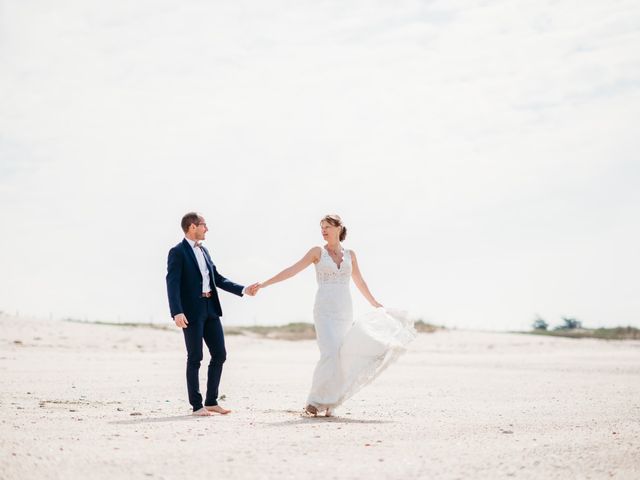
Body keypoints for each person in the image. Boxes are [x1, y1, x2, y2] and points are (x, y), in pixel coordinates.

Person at [257, 214, 415, 416]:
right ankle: (313, 403)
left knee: (341, 355)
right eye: (321, 227)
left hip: (344, 310)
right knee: (329, 353)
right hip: (324, 310)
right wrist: (264, 284)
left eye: (328, 226)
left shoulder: (350, 254)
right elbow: (292, 270)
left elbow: (359, 281)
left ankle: (331, 401)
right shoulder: (317, 252)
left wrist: (374, 303)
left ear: (339, 228)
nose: (323, 230)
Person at [166, 212, 259, 416]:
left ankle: (211, 401)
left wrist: (244, 289)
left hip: (211, 308)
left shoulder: (205, 251)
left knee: (220, 354)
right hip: (190, 312)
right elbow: (172, 283)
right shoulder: (177, 252)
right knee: (195, 357)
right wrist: (177, 312)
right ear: (192, 227)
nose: (206, 229)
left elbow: (217, 278)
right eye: (203, 225)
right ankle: (197, 406)